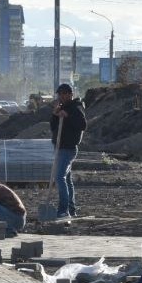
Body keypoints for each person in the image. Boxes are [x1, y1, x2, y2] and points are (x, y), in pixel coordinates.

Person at [49, 83, 87, 219]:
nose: (63, 96)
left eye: (66, 93)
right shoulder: (62, 108)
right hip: (60, 147)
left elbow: (82, 125)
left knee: (59, 177)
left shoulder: (76, 108)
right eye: (61, 94)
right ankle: (71, 209)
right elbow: (54, 127)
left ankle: (63, 210)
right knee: (67, 180)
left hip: (68, 148)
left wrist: (68, 116)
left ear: (71, 94)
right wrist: (55, 115)